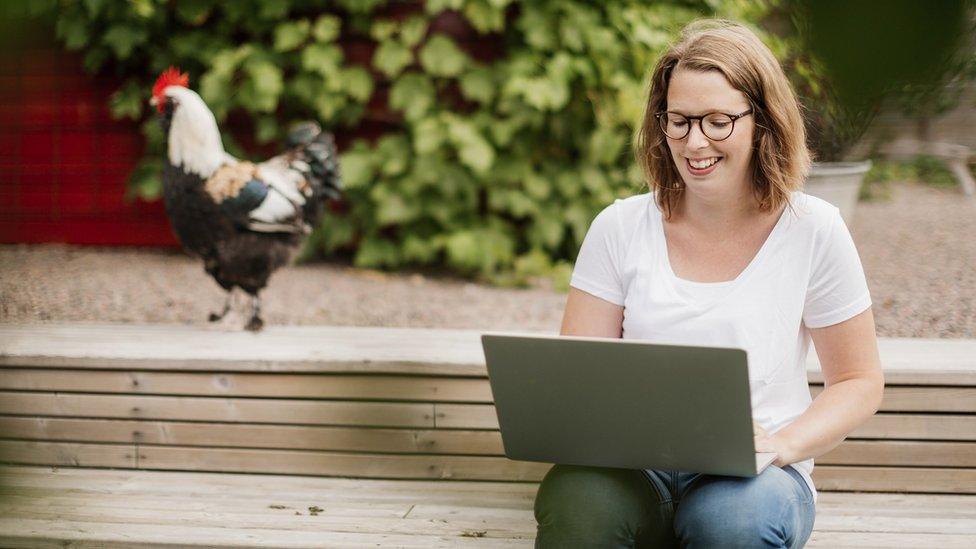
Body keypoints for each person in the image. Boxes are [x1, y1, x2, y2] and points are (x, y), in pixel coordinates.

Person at [533, 19, 884, 549]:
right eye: (679, 121)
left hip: (754, 479)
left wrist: (780, 445)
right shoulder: (620, 227)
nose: (695, 142)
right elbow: (580, 376)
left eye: (718, 121)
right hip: (635, 471)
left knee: (732, 525)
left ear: (761, 121)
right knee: (575, 502)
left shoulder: (813, 228)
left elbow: (859, 380)